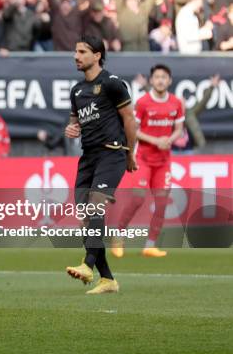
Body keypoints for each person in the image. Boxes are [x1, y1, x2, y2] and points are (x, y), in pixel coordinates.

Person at [64, 35, 137, 295]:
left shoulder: (113, 84)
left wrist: (130, 153)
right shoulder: (76, 91)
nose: (76, 56)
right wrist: (71, 129)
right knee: (87, 219)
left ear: (97, 56)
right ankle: (108, 280)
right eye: (75, 51)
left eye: (82, 51)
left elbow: (130, 120)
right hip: (88, 158)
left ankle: (88, 264)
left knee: (95, 207)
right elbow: (74, 122)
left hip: (112, 153)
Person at [112, 64, 184, 258]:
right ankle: (118, 237)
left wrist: (170, 139)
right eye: (157, 77)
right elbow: (133, 130)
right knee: (137, 198)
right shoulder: (143, 102)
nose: (160, 80)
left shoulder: (177, 103)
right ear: (151, 80)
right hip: (143, 158)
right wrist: (156, 141)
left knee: (161, 203)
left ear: (169, 81)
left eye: (164, 77)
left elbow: (179, 128)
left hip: (164, 162)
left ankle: (150, 245)